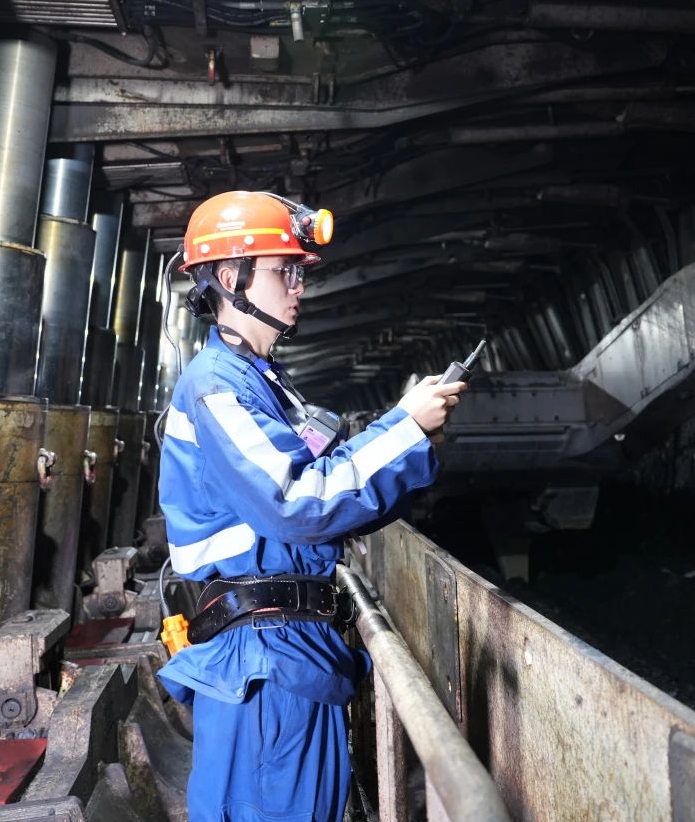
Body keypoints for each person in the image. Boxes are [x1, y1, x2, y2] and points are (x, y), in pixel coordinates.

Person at [156, 190, 466, 821]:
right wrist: (404, 427)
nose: (299, 287)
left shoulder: (262, 383)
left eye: (300, 273)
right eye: (285, 272)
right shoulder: (217, 386)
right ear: (230, 279)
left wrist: (411, 445)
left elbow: (332, 502)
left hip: (290, 649)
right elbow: (297, 502)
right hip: (262, 661)